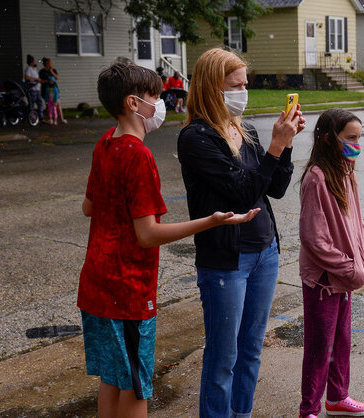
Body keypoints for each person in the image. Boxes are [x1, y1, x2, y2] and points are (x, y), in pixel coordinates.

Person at [78, 61, 259, 418]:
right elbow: (147, 235)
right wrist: (210, 221)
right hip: (126, 289)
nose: (160, 104)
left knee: (113, 379)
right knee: (136, 387)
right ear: (133, 103)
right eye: (154, 96)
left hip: (96, 281)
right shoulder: (139, 156)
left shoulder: (105, 143)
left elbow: (89, 207)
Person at [176, 48, 305, 418]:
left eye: (245, 84)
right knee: (223, 356)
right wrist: (276, 146)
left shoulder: (243, 127)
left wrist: (287, 143)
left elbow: (274, 189)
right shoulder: (196, 137)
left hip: (264, 252)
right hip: (227, 260)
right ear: (211, 88)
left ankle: (242, 413)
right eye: (236, 85)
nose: (243, 91)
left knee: (250, 349)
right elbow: (242, 191)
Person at [298, 109, 364, 418]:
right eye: (351, 138)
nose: (357, 144)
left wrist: (358, 259)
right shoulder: (317, 178)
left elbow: (354, 222)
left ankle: (337, 397)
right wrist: (349, 268)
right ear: (329, 139)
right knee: (320, 345)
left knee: (341, 340)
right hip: (324, 279)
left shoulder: (346, 169)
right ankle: (309, 410)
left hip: (344, 275)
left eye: (359, 138)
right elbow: (314, 240)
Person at [40, 58, 68, 124]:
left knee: (58, 104)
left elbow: (57, 78)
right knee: (48, 105)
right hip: (46, 90)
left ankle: (61, 119)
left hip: (54, 90)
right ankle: (51, 119)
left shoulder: (53, 70)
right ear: (47, 63)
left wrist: (51, 71)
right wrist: (48, 81)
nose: (51, 64)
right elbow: (41, 81)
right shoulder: (42, 71)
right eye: (50, 63)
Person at [23, 54, 44, 121]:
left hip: (38, 89)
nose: (36, 62)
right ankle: (30, 117)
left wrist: (39, 80)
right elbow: (27, 77)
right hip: (32, 89)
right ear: (32, 62)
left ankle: (41, 117)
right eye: (34, 61)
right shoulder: (29, 68)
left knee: (40, 103)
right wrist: (36, 79)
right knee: (31, 104)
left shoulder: (35, 69)